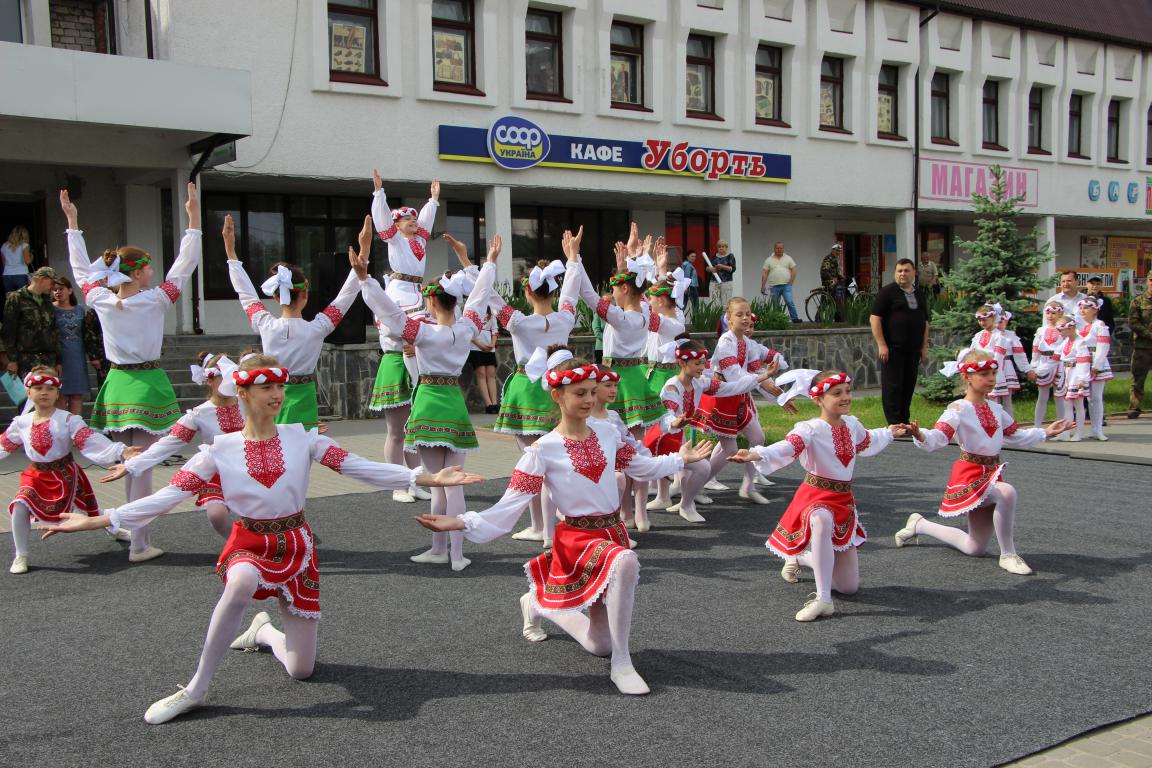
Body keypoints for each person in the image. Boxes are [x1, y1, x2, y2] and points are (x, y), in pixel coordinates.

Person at [35, 353, 482, 724]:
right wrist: (103, 518)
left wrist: (425, 477)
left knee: (302, 670)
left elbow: (361, 468)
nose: (276, 394)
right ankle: (197, 688)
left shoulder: (303, 438)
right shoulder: (219, 449)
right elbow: (169, 495)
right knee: (241, 583)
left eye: (280, 386)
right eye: (265, 386)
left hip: (297, 547)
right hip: (249, 543)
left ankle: (263, 632)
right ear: (243, 392)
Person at [416, 346, 713, 695]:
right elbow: (512, 504)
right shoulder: (542, 449)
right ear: (557, 395)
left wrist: (680, 459)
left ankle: (537, 603)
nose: (589, 400)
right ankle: (622, 663)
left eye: (592, 392)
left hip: (612, 532)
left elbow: (641, 467)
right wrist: (461, 522)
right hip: (577, 539)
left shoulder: (608, 433)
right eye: (579, 393)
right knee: (626, 562)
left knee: (598, 644)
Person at [62, 186, 201, 564]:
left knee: (129, 463)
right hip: (147, 384)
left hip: (117, 384)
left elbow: (80, 271)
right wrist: (192, 220)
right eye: (148, 268)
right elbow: (184, 266)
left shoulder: (101, 299)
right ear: (137, 272)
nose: (153, 273)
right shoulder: (155, 300)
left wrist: (73, 225)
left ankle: (126, 526)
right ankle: (140, 543)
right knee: (142, 467)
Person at [355, 220, 496, 572]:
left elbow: (388, 312)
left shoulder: (422, 332)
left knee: (436, 484)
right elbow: (479, 297)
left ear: (431, 300)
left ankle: (438, 549)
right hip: (455, 406)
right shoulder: (466, 328)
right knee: (456, 483)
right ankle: (458, 554)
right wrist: (484, 263)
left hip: (429, 404)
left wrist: (365, 278)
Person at [729, 369, 908, 622]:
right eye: (837, 393)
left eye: (848, 391)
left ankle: (800, 557)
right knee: (821, 519)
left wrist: (889, 432)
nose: (845, 397)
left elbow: (868, 439)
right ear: (818, 399)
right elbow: (788, 446)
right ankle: (823, 599)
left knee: (848, 587)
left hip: (843, 501)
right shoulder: (810, 429)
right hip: (816, 496)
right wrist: (757, 454)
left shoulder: (852, 425)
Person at [897, 351, 1073, 575]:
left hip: (991, 474)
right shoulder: (958, 409)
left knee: (975, 548)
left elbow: (1015, 435)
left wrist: (1045, 432)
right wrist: (920, 434)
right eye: (984, 374)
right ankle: (1008, 554)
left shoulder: (996, 409)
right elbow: (939, 437)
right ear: (967, 377)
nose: (991, 378)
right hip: (970, 475)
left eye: (993, 373)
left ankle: (920, 524)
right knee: (1006, 492)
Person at [485, 232, 582, 545]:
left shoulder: (518, 322)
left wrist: (485, 264)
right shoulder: (565, 319)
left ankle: (540, 527)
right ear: (553, 290)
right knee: (555, 462)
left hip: (526, 391)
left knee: (531, 463)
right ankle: (555, 525)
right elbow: (571, 293)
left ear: (527, 291)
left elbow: (487, 295)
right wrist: (572, 258)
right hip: (557, 389)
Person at [223, 215, 359, 430]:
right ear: (305, 294)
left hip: (270, 393)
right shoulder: (318, 328)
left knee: (272, 444)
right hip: (304, 397)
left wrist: (231, 252)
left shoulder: (265, 324)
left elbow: (246, 294)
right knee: (302, 446)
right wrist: (361, 262)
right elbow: (344, 298)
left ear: (276, 297)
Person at [4, 367, 137, 574]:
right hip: (35, 476)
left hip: (65, 473)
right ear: (28, 392)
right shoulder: (21, 423)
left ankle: (113, 526)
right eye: (38, 388)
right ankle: (21, 554)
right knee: (21, 504)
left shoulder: (67, 419)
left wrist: (120, 450)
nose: (44, 392)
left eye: (50, 388)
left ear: (57, 393)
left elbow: (89, 440)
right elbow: (4, 444)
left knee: (88, 509)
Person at [102, 352, 243, 539]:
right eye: (223, 377)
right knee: (217, 516)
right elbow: (168, 444)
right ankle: (239, 546)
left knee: (260, 513)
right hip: (217, 471)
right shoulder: (199, 414)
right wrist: (131, 465)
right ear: (209, 381)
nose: (230, 382)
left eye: (232, 376)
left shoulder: (248, 403)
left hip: (251, 466)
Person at [366, 172, 442, 501]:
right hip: (397, 357)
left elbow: (426, 220)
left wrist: (433, 201)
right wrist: (379, 194)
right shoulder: (394, 240)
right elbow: (382, 221)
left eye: (414, 218)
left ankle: (415, 481)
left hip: (414, 296)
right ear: (396, 226)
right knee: (397, 430)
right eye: (406, 219)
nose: (412, 222)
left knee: (414, 428)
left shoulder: (420, 241)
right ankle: (398, 484)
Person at [646, 336, 776, 523]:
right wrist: (674, 423)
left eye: (703, 363)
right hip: (662, 439)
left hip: (677, 437)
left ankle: (679, 502)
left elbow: (731, 387)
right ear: (682, 363)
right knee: (702, 467)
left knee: (688, 471)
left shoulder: (699, 383)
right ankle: (683, 505)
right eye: (697, 363)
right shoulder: (672, 388)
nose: (702, 367)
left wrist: (762, 377)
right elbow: (667, 415)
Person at [869, 258, 929, 424]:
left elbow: (925, 322)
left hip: (913, 350)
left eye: (906, 270)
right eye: (899, 271)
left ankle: (904, 420)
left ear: (914, 273)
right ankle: (894, 423)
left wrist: (924, 347)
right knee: (893, 387)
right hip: (892, 350)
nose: (903, 274)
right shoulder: (887, 292)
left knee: (908, 386)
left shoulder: (919, 294)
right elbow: (875, 319)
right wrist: (882, 345)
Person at [3, 266, 60, 378]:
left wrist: (58, 360)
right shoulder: (17, 298)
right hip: (25, 359)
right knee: (28, 389)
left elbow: (53, 331)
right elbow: (8, 331)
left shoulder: (47, 301)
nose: (53, 287)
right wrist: (12, 359)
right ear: (42, 279)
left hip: (48, 359)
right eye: (52, 283)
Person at [50, 275, 89, 415]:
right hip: (59, 355)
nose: (57, 292)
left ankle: (76, 425)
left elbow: (85, 333)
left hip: (77, 355)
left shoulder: (79, 310)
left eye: (61, 289)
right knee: (61, 395)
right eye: (54, 290)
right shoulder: (50, 310)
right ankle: (60, 426)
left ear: (70, 290)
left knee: (76, 395)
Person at [1076, 297, 1112, 441]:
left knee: (1096, 397)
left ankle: (1099, 429)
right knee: (1089, 397)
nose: (1082, 310)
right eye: (1081, 308)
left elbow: (1103, 346)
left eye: (1086, 308)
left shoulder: (1099, 325)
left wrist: (1097, 365)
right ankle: (1093, 428)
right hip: (1083, 362)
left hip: (1096, 361)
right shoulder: (1079, 326)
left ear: (1095, 310)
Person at [1031, 301, 1067, 427]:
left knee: (1059, 396)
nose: (1050, 316)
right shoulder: (1041, 330)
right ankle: (1037, 426)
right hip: (1043, 361)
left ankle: (1061, 426)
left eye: (1054, 313)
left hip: (1059, 363)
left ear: (1061, 313)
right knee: (1042, 396)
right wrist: (1034, 365)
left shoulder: (1063, 330)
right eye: (1048, 313)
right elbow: (1035, 348)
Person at [467, 305, 499, 414]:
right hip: (476, 347)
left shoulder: (491, 313)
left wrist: (492, 345)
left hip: (489, 347)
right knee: (481, 374)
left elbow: (495, 331)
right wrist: (481, 346)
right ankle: (488, 404)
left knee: (491, 374)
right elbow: (469, 332)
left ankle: (494, 403)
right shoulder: (470, 311)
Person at [1129, 275, 1152, 418]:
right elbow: (1133, 322)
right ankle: (1134, 407)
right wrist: (1149, 334)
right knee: (1137, 379)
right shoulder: (1138, 301)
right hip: (1143, 347)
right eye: (1151, 280)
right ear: (1147, 281)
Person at [760, 241, 799, 322]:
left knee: (789, 302)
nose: (779, 250)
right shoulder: (769, 260)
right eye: (777, 248)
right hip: (774, 286)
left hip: (786, 285)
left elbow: (794, 269)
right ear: (774, 249)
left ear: (783, 249)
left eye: (781, 248)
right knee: (775, 304)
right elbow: (765, 273)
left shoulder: (788, 258)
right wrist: (763, 286)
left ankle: (795, 319)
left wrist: (791, 282)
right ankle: (777, 320)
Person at [2, 225, 32, 296]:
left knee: (11, 298)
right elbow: (27, 261)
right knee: (23, 297)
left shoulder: (4, 246)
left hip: (7, 275)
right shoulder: (24, 245)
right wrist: (31, 256)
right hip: (21, 274)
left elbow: (4, 263)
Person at [819, 244, 845, 321]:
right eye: (837, 251)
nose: (838, 253)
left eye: (839, 251)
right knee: (825, 302)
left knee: (835, 301)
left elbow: (835, 273)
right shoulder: (828, 259)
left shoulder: (834, 259)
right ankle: (818, 318)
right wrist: (832, 278)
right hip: (828, 283)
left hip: (833, 283)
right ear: (833, 250)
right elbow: (824, 272)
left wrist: (840, 277)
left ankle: (838, 318)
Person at [709, 240, 737, 307]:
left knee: (726, 302)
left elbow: (733, 269)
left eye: (723, 247)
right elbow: (708, 267)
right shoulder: (714, 256)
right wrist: (710, 269)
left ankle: (724, 313)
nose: (721, 248)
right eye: (719, 247)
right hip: (714, 282)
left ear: (726, 247)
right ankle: (715, 313)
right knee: (714, 302)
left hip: (726, 282)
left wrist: (722, 266)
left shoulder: (730, 256)